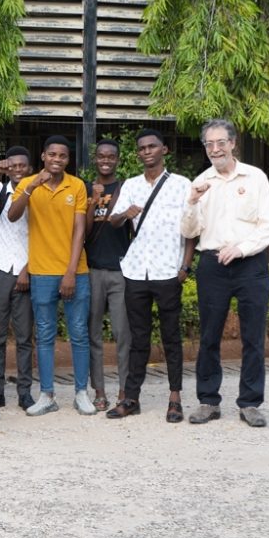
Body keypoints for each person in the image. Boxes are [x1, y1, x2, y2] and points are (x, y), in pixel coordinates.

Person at [182, 119, 269, 427]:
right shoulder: (200, 182)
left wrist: (241, 248)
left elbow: (268, 226)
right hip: (213, 266)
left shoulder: (255, 177)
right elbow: (189, 231)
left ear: (233, 143)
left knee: (253, 337)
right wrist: (192, 202)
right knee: (209, 336)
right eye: (209, 144)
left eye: (220, 142)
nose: (215, 149)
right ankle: (208, 401)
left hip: (250, 264)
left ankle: (250, 403)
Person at [106, 129, 194, 422]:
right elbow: (113, 221)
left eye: (152, 146)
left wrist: (185, 267)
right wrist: (125, 214)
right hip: (136, 271)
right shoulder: (131, 185)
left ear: (164, 149)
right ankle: (131, 398)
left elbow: (191, 229)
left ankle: (175, 399)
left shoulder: (182, 185)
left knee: (171, 337)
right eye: (142, 148)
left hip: (168, 271)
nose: (146, 151)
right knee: (138, 338)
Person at [8, 135, 94, 416]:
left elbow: (79, 230)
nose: (57, 159)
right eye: (52, 154)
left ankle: (81, 393)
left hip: (75, 271)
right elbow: (12, 215)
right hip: (42, 272)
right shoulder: (27, 183)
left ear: (68, 160)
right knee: (44, 335)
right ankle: (47, 395)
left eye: (63, 155)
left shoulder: (76, 185)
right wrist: (32, 185)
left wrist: (70, 272)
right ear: (43, 156)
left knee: (78, 333)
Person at [0, 146, 37, 412]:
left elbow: (43, 234)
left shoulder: (38, 193)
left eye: (22, 166)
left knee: (25, 337)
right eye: (12, 165)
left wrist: (28, 268)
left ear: (30, 169)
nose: (17, 170)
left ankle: (24, 392)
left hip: (27, 270)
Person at [84, 139, 132, 411]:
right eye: (101, 156)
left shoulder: (127, 189)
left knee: (122, 333)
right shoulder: (86, 188)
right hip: (91, 270)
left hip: (120, 271)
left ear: (117, 159)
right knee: (93, 334)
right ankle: (99, 391)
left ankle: (125, 389)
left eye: (110, 156)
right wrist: (93, 199)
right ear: (95, 159)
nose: (105, 160)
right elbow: (84, 231)